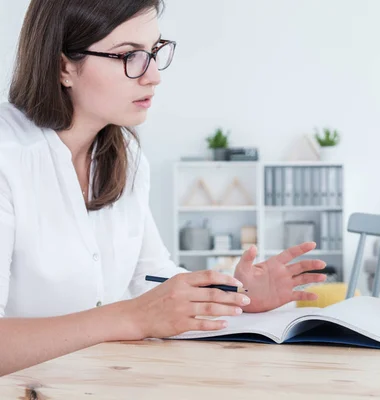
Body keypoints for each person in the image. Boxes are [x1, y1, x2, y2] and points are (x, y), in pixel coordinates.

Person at [0, 0, 326, 376]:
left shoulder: (126, 155)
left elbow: (151, 278)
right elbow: (140, 310)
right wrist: (131, 318)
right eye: (129, 56)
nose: (153, 75)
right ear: (63, 67)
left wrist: (235, 295)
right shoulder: (8, 157)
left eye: (154, 51)